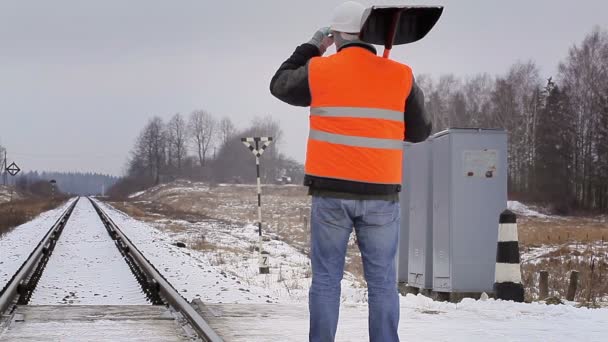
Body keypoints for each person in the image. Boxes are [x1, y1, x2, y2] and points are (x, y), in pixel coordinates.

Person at [269, 1, 431, 341]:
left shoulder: (319, 70)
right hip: (381, 197)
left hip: (331, 195)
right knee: (383, 283)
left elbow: (280, 84)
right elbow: (420, 131)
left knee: (327, 280)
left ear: (336, 36)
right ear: (370, 33)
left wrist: (313, 46)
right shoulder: (400, 74)